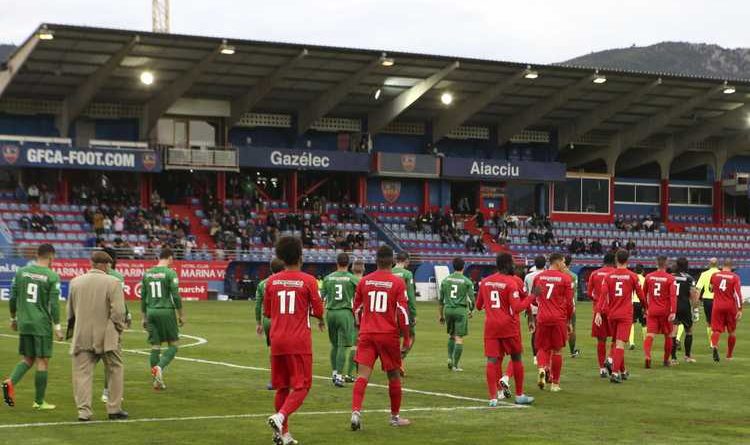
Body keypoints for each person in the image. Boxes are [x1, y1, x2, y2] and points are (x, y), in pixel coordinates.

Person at [265, 237, 325, 445]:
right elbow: (318, 311)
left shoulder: (271, 281)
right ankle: (280, 417)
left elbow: (267, 312)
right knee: (302, 386)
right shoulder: (308, 281)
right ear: (300, 256)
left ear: (280, 257)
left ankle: (283, 434)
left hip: (277, 339)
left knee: (282, 387)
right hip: (298, 340)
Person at [350, 245, 412, 430]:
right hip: (388, 335)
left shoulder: (364, 282)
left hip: (367, 334)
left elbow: (357, 309)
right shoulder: (397, 282)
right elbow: (402, 312)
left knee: (362, 376)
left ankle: (355, 412)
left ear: (376, 261)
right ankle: (394, 418)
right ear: (392, 262)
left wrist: (363, 326)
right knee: (393, 376)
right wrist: (406, 338)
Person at [67, 251, 128, 421]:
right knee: (115, 369)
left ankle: (83, 412)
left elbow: (70, 312)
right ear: (105, 265)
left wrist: (74, 329)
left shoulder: (75, 282)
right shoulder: (114, 282)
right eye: (109, 265)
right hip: (107, 336)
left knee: (82, 374)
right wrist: (118, 328)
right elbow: (118, 312)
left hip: (82, 334)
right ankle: (114, 409)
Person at [2, 244, 62, 410]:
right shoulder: (51, 276)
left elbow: (13, 297)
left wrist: (13, 318)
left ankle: (9, 382)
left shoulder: (21, 272)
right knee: (42, 361)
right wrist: (57, 326)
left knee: (28, 358)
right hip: (41, 324)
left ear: (37, 254)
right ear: (51, 256)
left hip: (24, 322)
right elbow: (54, 305)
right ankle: (39, 401)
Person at [476, 253, 534, 406]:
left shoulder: (485, 282)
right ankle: (519, 395)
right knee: (516, 358)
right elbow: (517, 308)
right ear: (508, 264)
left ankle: (493, 398)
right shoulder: (510, 282)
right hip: (509, 326)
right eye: (513, 263)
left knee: (492, 360)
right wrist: (532, 297)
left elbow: (478, 306)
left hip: (491, 327)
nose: (514, 266)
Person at [595, 249, 646, 383]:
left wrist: (599, 312)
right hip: (625, 314)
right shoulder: (632, 276)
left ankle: (622, 371)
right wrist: (646, 307)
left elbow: (602, 295)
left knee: (616, 342)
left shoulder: (608, 277)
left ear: (616, 260)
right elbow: (641, 295)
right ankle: (615, 372)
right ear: (627, 260)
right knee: (620, 344)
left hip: (612, 314)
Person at [141, 248, 184, 391]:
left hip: (151, 311)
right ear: (170, 258)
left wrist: (143, 317)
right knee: (174, 344)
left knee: (155, 346)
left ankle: (156, 381)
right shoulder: (170, 273)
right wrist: (181, 314)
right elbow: (176, 295)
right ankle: (159, 367)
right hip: (166, 311)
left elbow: (143, 297)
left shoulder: (147, 273)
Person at [531, 253, 574, 392]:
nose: (564, 265)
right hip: (558, 318)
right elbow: (569, 304)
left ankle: (542, 368)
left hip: (542, 317)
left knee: (543, 347)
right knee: (557, 350)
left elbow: (533, 298)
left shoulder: (539, 277)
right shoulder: (565, 279)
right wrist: (568, 321)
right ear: (558, 262)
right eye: (563, 262)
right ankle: (555, 384)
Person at [321, 253, 359, 387]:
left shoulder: (328, 278)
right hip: (345, 312)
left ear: (336, 263)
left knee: (334, 345)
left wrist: (320, 318)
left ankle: (334, 373)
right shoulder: (352, 278)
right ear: (348, 264)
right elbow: (362, 294)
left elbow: (321, 298)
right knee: (343, 345)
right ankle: (339, 376)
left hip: (330, 313)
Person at [101, 252, 132, 404]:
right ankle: (107, 393)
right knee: (112, 359)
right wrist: (127, 315)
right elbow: (120, 301)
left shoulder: (91, 276)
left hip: (93, 320)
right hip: (111, 322)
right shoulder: (117, 277)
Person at [438, 257, 475, 372]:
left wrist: (441, 315)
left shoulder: (445, 280)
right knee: (459, 338)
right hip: (460, 310)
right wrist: (471, 310)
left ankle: (449, 358)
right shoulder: (467, 282)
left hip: (448, 310)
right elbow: (472, 299)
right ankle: (455, 365)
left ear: (453, 266)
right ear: (463, 267)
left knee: (451, 335)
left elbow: (440, 300)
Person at [255, 257, 286, 390]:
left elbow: (257, 305)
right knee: (287, 349)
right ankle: (288, 378)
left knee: (273, 350)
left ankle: (274, 380)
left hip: (268, 320)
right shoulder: (287, 281)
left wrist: (258, 323)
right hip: (284, 318)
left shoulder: (263, 284)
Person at [642, 256, 676, 369]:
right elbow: (672, 296)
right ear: (666, 264)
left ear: (656, 264)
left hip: (652, 310)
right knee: (669, 335)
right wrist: (673, 311)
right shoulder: (670, 278)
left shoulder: (649, 277)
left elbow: (643, 294)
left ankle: (647, 356)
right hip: (665, 311)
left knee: (650, 334)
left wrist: (645, 308)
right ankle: (666, 360)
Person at [587, 252, 616, 377]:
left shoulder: (594, 274)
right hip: (613, 310)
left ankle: (602, 369)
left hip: (599, 310)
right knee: (617, 338)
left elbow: (589, 293)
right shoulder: (616, 274)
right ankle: (610, 359)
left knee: (601, 340)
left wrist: (598, 300)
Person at [709, 260, 743, 362]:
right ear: (731, 267)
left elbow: (710, 289)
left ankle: (715, 345)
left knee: (716, 330)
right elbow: (737, 294)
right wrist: (740, 309)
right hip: (730, 307)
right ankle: (729, 355)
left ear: (722, 266)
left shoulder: (715, 275)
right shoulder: (735, 277)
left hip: (717, 305)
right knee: (732, 332)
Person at [391, 252, 417, 376]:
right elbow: (410, 295)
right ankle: (400, 359)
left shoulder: (389, 272)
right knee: (410, 336)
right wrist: (413, 313)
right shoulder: (407, 274)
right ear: (406, 261)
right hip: (402, 308)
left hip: (389, 310)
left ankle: (394, 361)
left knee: (395, 337)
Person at [672, 257, 699, 363]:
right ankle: (687, 356)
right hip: (684, 306)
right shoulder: (689, 278)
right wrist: (695, 309)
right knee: (689, 331)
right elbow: (694, 294)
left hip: (673, 307)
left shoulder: (671, 277)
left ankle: (673, 358)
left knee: (673, 332)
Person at [344, 259, 366, 382]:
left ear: (352, 268)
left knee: (354, 345)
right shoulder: (365, 281)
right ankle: (349, 373)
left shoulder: (347, 280)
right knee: (358, 345)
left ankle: (350, 371)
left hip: (348, 314)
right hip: (361, 315)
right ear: (363, 268)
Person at [524, 256, 546, 364]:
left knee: (534, 332)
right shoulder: (546, 275)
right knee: (545, 332)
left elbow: (525, 291)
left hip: (531, 307)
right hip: (544, 306)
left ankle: (535, 356)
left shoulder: (528, 276)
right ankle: (543, 354)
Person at [696, 258, 719, 346]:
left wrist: (696, 303)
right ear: (717, 264)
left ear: (709, 264)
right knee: (716, 322)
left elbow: (698, 289)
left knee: (709, 322)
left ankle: (711, 343)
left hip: (707, 300)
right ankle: (714, 342)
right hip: (717, 299)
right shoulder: (720, 274)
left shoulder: (704, 274)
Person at [563, 255, 580, 358]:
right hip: (569, 304)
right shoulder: (573, 276)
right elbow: (574, 291)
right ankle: (572, 351)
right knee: (572, 328)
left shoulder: (557, 274)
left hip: (557, 305)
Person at [629, 264, 647, 350]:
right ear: (643, 271)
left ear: (634, 271)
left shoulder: (631, 278)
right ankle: (646, 342)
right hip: (642, 302)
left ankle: (631, 342)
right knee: (644, 324)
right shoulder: (645, 279)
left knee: (631, 323)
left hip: (632, 303)